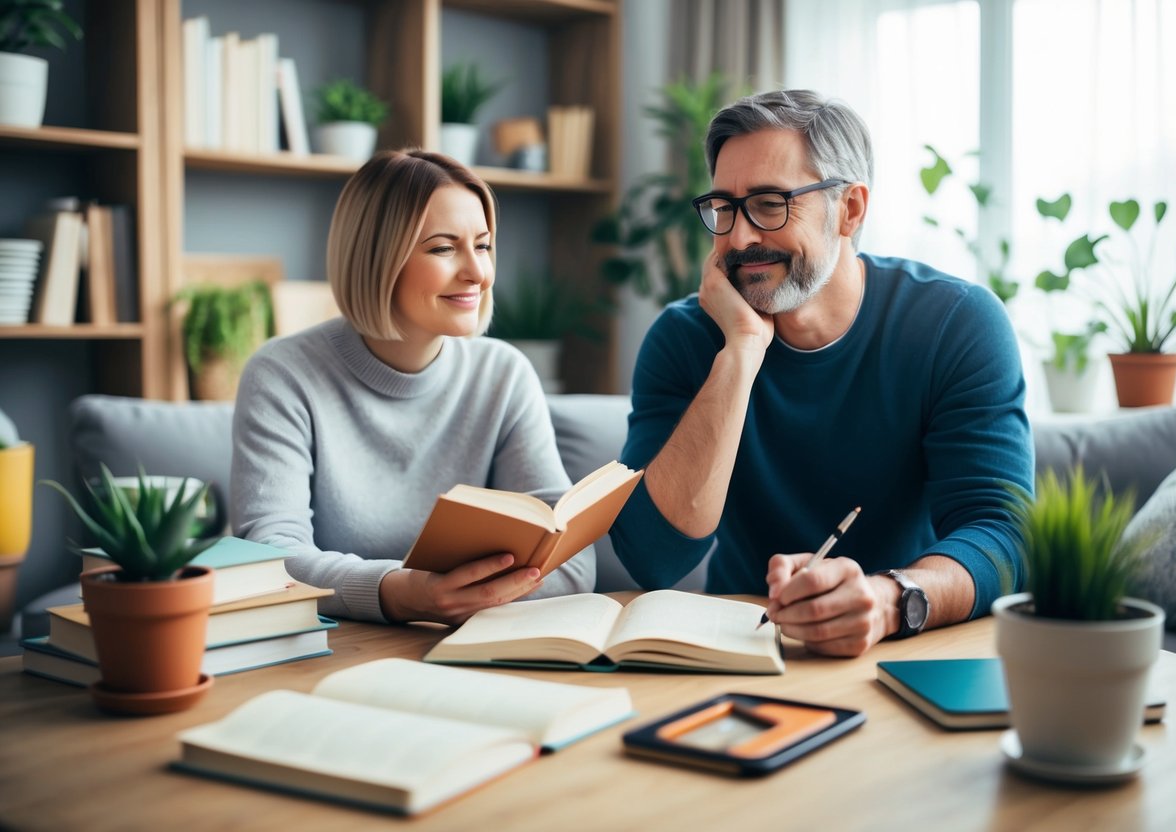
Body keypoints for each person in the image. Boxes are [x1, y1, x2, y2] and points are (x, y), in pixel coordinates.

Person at [609, 90, 1032, 657]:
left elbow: (1006, 535)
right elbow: (654, 559)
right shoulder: (686, 338)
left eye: (769, 203)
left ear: (850, 210)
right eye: (725, 207)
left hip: (910, 643)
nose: (739, 238)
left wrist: (887, 599)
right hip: (742, 649)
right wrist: (740, 352)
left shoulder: (954, 324)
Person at [231, 149, 594, 625]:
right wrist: (399, 593)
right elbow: (271, 556)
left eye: (482, 246)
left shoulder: (504, 374)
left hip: (472, 649)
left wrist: (456, 598)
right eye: (444, 248)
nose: (478, 274)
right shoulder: (282, 375)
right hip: (333, 649)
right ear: (377, 259)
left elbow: (571, 560)